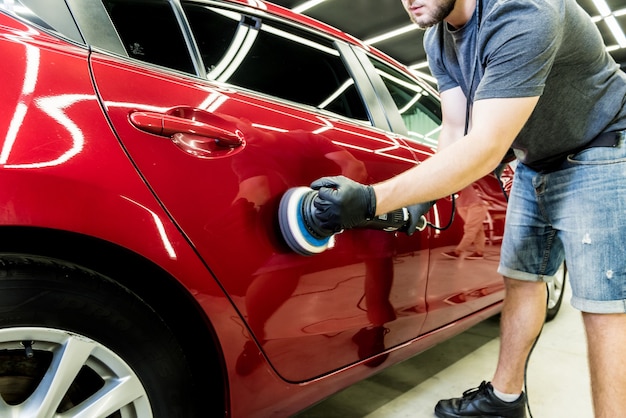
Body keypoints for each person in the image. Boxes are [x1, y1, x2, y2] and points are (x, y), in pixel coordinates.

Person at [308, 0, 626, 416]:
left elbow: (486, 147)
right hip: (536, 159)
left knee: (601, 304)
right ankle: (505, 400)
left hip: (603, 144)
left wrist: (371, 199)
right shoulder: (437, 38)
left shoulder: (523, 12)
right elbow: (457, 132)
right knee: (521, 276)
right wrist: (418, 200)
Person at [442, 184, 488, 260]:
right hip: (461, 206)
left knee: (470, 229)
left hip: (476, 205)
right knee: (478, 230)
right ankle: (479, 253)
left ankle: (458, 251)